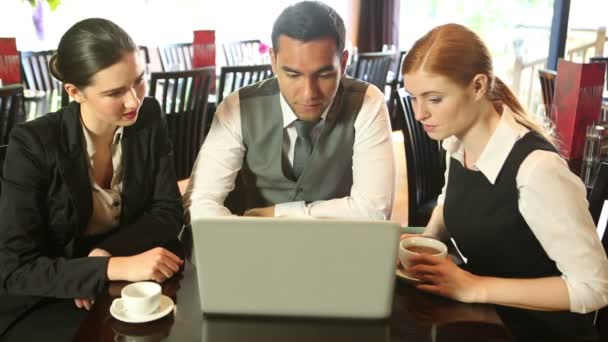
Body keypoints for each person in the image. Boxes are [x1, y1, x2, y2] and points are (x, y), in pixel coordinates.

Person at [400, 23, 608, 338]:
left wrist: (474, 286)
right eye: (414, 98)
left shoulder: (537, 170)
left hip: (539, 330)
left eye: (434, 99)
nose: (419, 114)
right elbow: (450, 199)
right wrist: (427, 241)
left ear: (478, 86)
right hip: (486, 319)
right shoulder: (456, 144)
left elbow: (594, 288)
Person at [0, 18, 184, 339]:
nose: (134, 101)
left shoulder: (148, 118)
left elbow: (167, 213)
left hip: (120, 277)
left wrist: (105, 255)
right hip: (49, 295)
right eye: (114, 92)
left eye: (139, 80)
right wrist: (110, 267)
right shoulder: (33, 144)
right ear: (75, 92)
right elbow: (15, 268)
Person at [183, 1, 395, 220]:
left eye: (324, 75)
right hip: (255, 244)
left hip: (337, 246)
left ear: (343, 62)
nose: (308, 93)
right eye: (293, 75)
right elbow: (198, 203)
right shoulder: (237, 107)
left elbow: (374, 211)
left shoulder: (367, 103)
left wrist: (277, 214)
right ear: (273, 61)